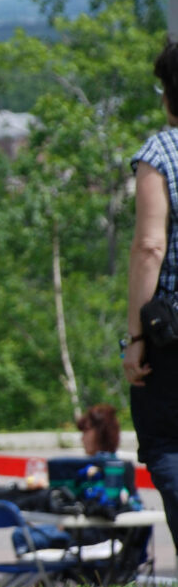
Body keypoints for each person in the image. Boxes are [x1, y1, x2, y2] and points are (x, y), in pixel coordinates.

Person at [125, 39, 178, 545]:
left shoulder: (160, 152)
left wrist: (135, 337)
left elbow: (149, 245)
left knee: (166, 446)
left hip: (172, 338)